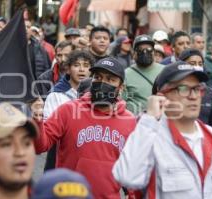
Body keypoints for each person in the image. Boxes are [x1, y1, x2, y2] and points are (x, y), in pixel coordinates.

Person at [113, 61, 212, 199]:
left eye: (197, 88)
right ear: (163, 96)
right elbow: (126, 176)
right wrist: (149, 120)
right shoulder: (150, 137)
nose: (193, 96)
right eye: (183, 89)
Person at [34, 57, 136, 198]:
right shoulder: (68, 110)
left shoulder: (129, 121)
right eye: (98, 77)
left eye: (110, 79)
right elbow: (40, 146)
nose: (102, 83)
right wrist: (37, 119)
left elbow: (133, 168)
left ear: (121, 87)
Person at [43, 50, 94, 171]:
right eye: (76, 65)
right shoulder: (56, 95)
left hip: (87, 152)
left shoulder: (97, 96)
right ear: (68, 69)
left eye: (86, 66)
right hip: (60, 151)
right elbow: (48, 127)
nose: (82, 70)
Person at [179, 48, 212, 131]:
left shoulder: (209, 93)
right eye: (192, 63)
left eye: (200, 64)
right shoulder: (175, 90)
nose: (197, 66)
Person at [123, 35, 164, 115]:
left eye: (149, 49)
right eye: (140, 50)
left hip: (160, 121)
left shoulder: (165, 70)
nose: (145, 52)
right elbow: (122, 102)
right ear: (134, 53)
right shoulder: (126, 74)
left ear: (153, 52)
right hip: (135, 122)